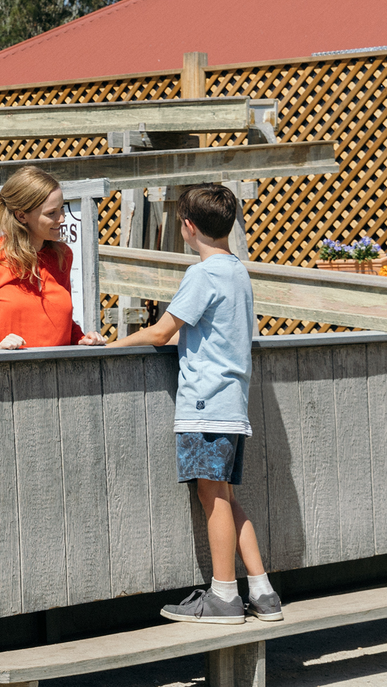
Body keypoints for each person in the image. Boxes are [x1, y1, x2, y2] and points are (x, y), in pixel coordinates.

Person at [106, 183, 282, 625]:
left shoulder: (203, 274)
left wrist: (108, 345)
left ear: (187, 227)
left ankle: (223, 596)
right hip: (232, 402)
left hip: (205, 404)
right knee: (225, 496)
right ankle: (262, 593)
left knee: (212, 497)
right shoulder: (238, 271)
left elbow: (160, 331)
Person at [0, 165, 104, 351]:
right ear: (21, 216)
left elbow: (60, 322)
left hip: (57, 369)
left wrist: (80, 339)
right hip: (2, 369)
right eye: (51, 213)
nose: (62, 218)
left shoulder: (62, 256)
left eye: (62, 208)